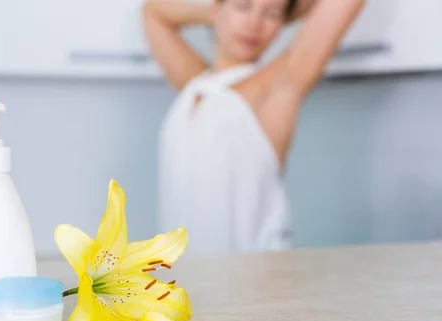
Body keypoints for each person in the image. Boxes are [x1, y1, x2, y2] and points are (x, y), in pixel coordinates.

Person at [143, 0, 366, 253]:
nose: (253, 25)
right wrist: (219, 12)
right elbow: (153, 12)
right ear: (216, 8)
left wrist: (286, 12)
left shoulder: (273, 91)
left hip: (254, 286)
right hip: (190, 284)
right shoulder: (196, 85)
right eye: (243, 6)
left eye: (270, 14)